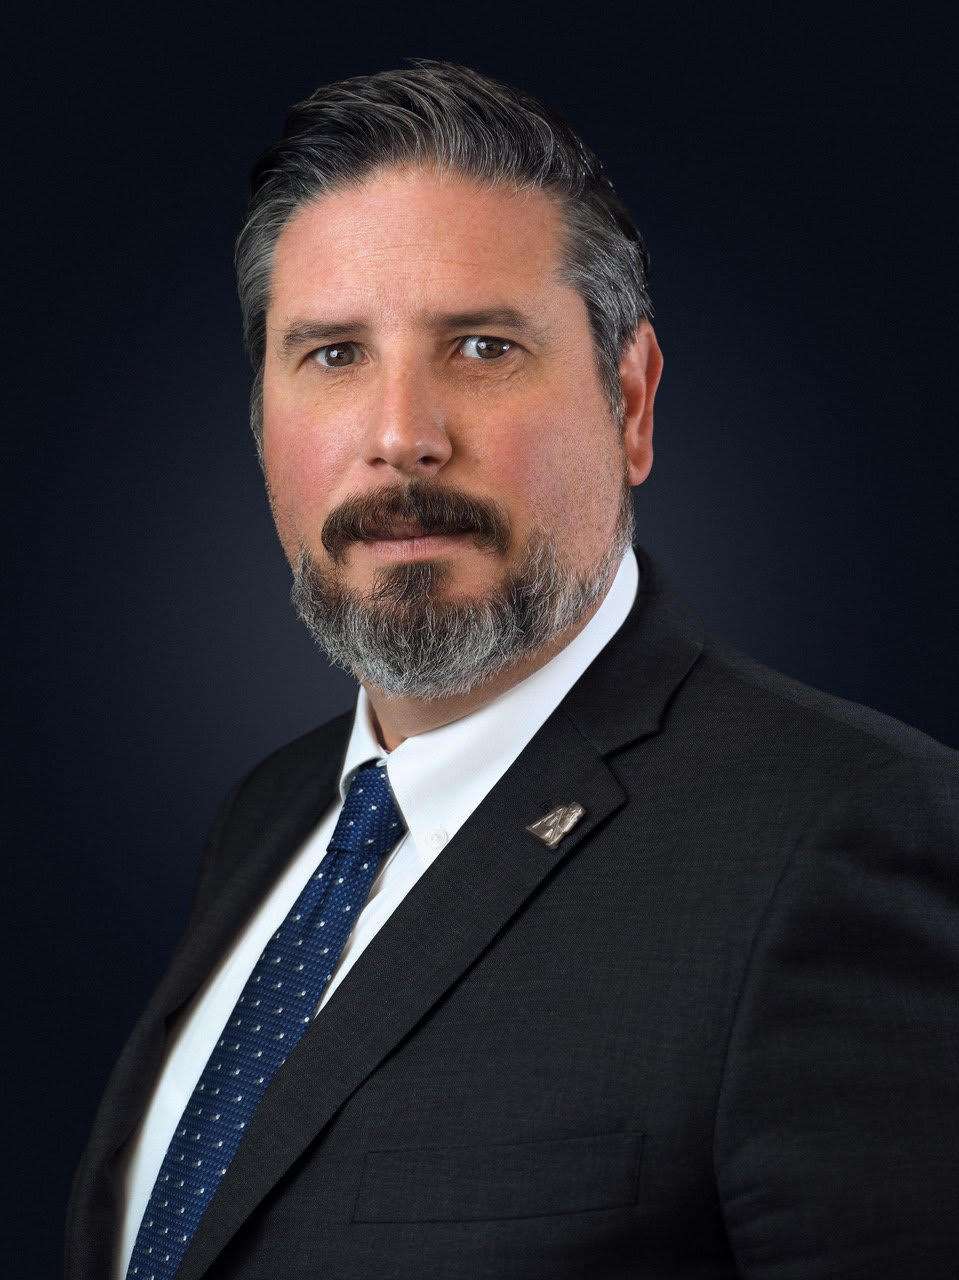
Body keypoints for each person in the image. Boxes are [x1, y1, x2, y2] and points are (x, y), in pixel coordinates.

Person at [65, 58, 959, 1280]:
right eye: (332, 354)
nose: (400, 437)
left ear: (629, 401)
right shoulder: (268, 815)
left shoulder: (847, 833)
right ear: (262, 417)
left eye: (481, 346)